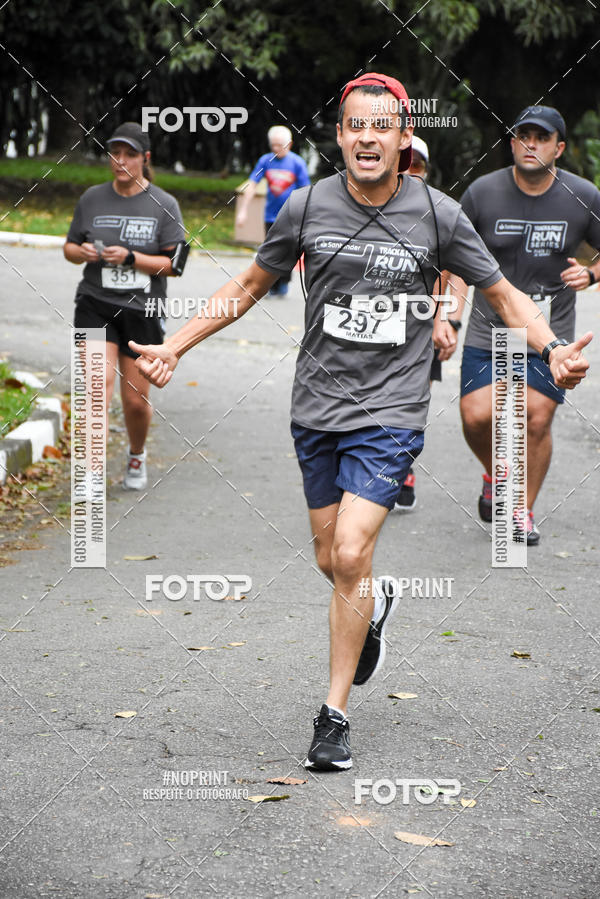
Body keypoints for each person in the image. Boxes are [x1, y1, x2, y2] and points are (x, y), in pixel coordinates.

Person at [129, 77, 591, 772]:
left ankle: (334, 713)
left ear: (405, 137)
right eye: (354, 126)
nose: (368, 137)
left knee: (349, 553)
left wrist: (551, 346)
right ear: (340, 136)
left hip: (391, 410)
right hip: (316, 407)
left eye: (382, 126)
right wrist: (175, 344)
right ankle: (373, 611)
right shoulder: (308, 204)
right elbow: (247, 287)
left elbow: (501, 293)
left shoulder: (437, 213)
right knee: (332, 561)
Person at [448, 105, 600, 544]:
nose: (530, 143)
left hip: (550, 332)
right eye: (522, 135)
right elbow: (454, 258)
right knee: (477, 417)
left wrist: (590, 274)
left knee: (535, 419)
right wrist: (449, 316)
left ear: (559, 147)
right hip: (488, 324)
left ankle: (520, 509)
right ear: (512, 142)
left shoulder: (584, 196)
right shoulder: (481, 193)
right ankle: (497, 474)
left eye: (541, 136)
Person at [64, 122, 185, 491]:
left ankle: (136, 453)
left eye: (130, 154)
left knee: (135, 400)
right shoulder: (92, 198)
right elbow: (69, 249)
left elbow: (174, 265)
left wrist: (132, 258)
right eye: (115, 153)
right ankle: (91, 470)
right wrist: (81, 252)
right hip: (95, 302)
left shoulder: (164, 204)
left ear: (145, 158)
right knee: (96, 385)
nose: (120, 160)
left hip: (142, 309)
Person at [395, 135, 466, 511]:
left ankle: (401, 468)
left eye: (417, 165)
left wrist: (449, 320)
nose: (410, 171)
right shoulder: (369, 207)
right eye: (404, 163)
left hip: (422, 328)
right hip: (373, 328)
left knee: (410, 401)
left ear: (426, 169)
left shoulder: (441, 213)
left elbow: (458, 274)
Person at [235, 125, 310, 295]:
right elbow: (252, 184)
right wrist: (243, 211)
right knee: (269, 251)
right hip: (270, 215)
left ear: (289, 145)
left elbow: (306, 191)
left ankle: (283, 283)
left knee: (289, 250)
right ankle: (270, 285)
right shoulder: (265, 161)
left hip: (291, 216)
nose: (276, 149)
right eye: (273, 145)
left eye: (279, 145)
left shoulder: (297, 163)